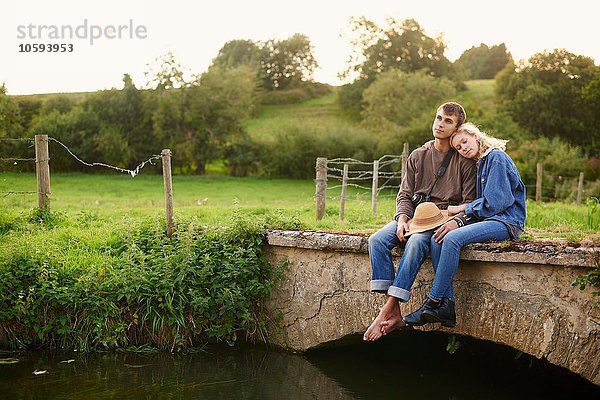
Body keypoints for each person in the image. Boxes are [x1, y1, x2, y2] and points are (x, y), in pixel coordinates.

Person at [363, 102, 477, 341]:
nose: (440, 124)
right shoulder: (418, 155)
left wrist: (453, 221)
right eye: (438, 118)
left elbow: (469, 202)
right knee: (376, 241)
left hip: (442, 219)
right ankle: (392, 309)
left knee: (415, 243)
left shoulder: (464, 161)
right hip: (416, 216)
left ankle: (386, 310)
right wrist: (403, 218)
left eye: (448, 121)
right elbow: (405, 194)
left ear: (457, 127)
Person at [401, 122, 527, 328]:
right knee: (438, 237)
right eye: (458, 147)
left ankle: (433, 302)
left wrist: (460, 209)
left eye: (465, 142)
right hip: (488, 220)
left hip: (506, 221)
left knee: (451, 238)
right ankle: (447, 306)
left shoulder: (495, 157)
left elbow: (496, 202)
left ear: (475, 136)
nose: (463, 148)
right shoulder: (480, 163)